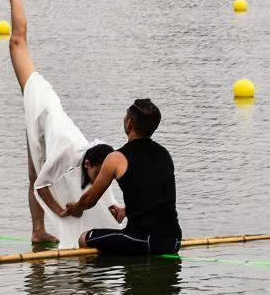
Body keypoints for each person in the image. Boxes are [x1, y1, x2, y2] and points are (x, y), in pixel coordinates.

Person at [0, 0, 123, 247]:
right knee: (17, 43)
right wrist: (61, 212)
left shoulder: (94, 157)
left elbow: (100, 184)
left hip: (47, 126)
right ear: (87, 163)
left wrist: (116, 208)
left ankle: (37, 231)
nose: (99, 181)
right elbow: (42, 187)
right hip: (42, 106)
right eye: (96, 174)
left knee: (32, 171)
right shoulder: (65, 152)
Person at [64, 99, 182, 256]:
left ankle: (95, 278)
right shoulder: (164, 154)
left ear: (129, 124)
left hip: (143, 240)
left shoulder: (116, 158)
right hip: (174, 240)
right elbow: (159, 199)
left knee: (84, 238)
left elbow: (89, 200)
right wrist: (125, 212)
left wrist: (76, 208)